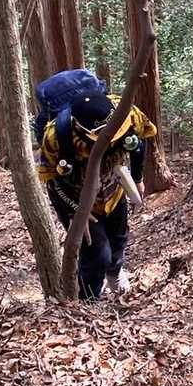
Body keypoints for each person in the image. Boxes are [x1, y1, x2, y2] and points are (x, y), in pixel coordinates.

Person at [37, 89, 157, 300]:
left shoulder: (128, 113)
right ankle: (88, 300)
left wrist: (137, 179)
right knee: (96, 254)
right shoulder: (57, 136)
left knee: (119, 237)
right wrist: (75, 212)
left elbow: (139, 142)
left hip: (113, 190)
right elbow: (52, 180)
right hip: (78, 200)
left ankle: (115, 274)